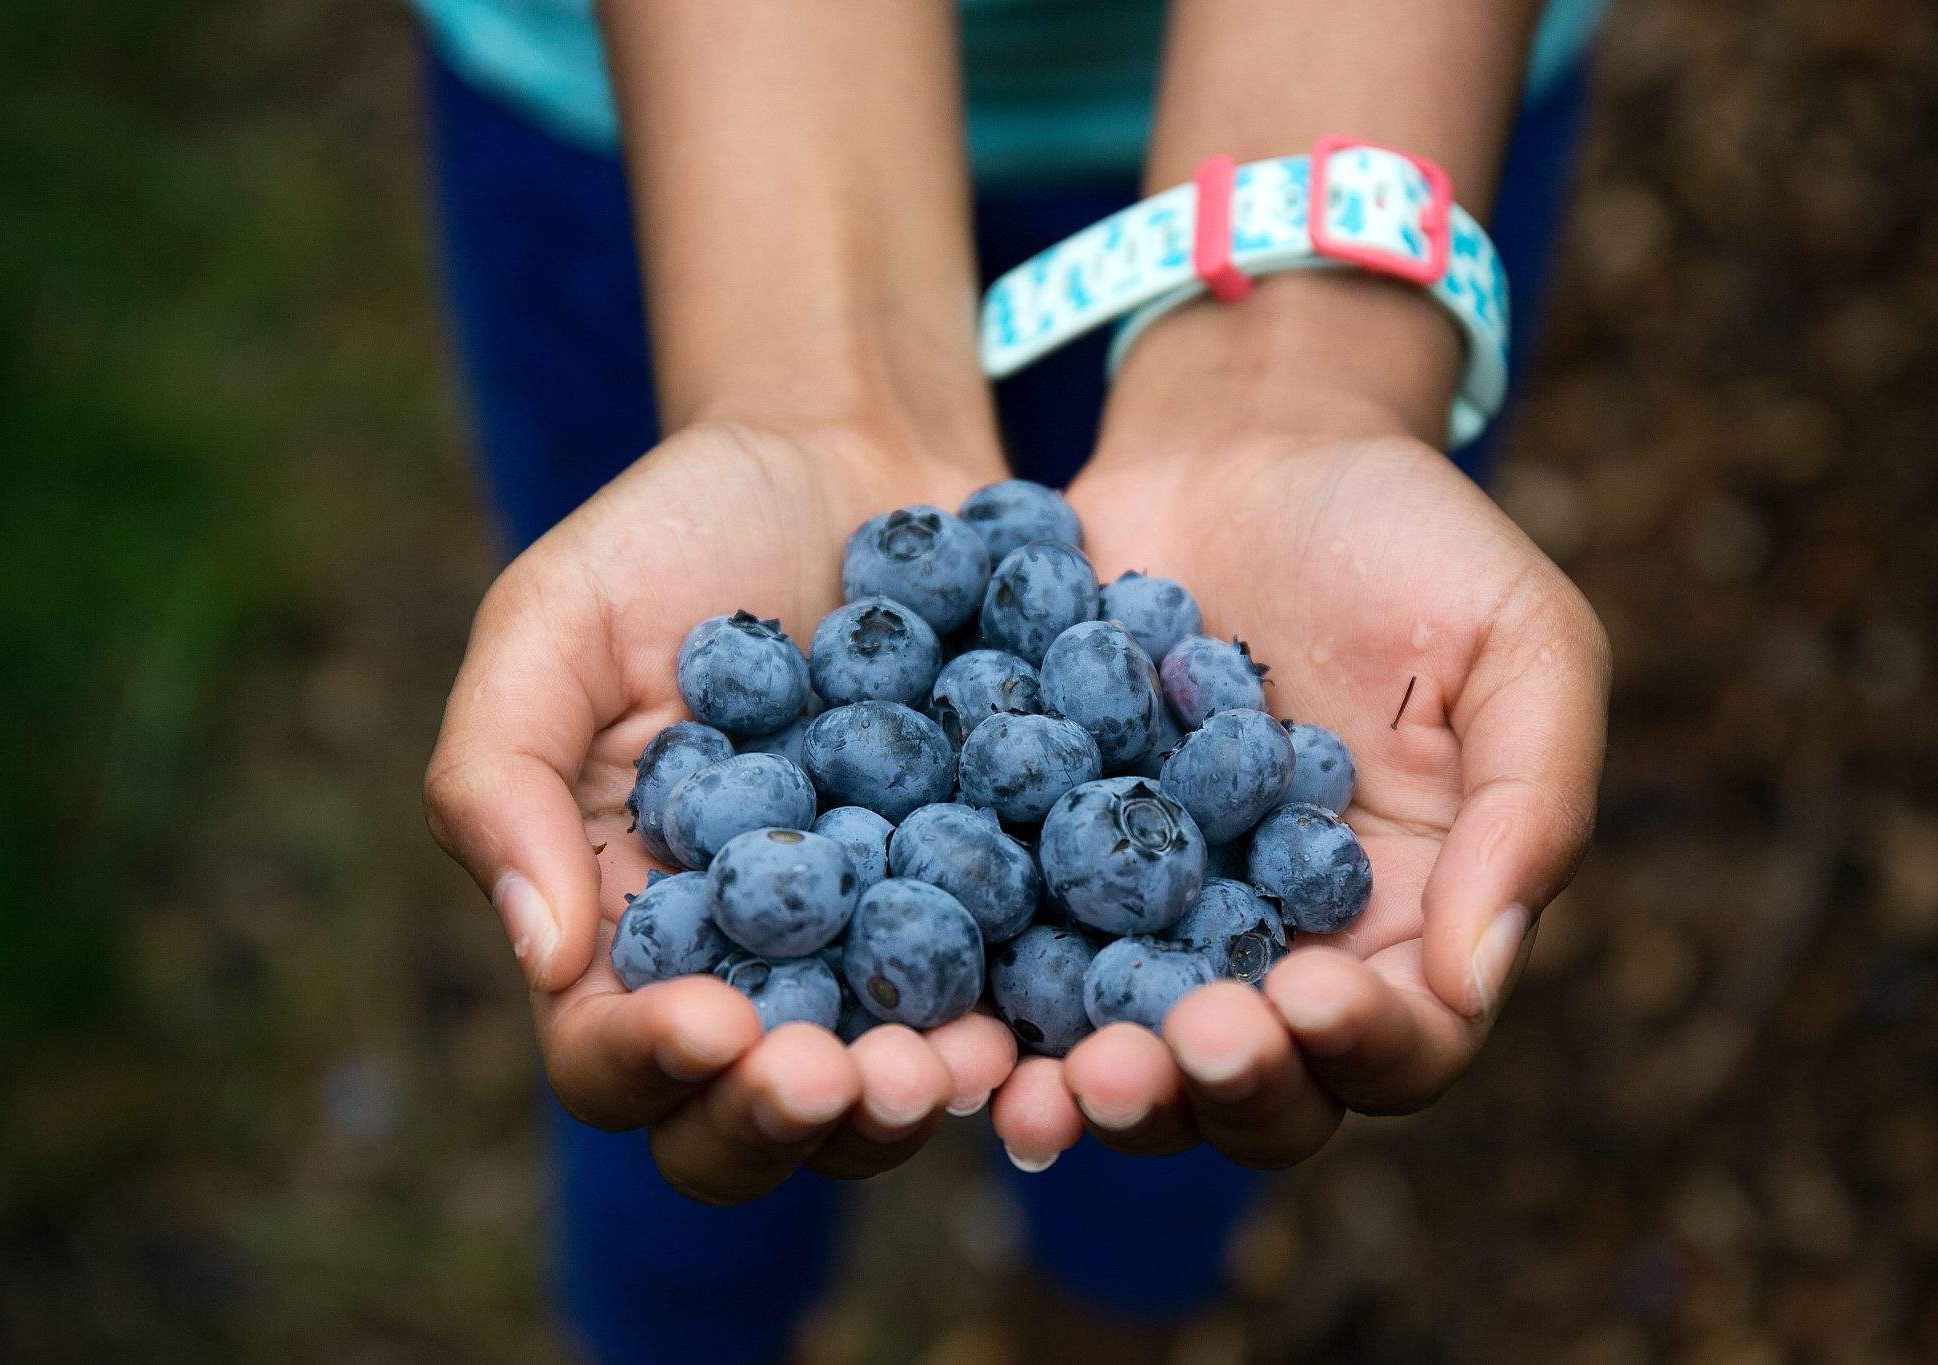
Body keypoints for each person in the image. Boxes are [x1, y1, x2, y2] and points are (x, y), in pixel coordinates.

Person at [419, 1, 1613, 1358]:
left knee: (1198, 1074)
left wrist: (1310, 376)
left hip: (1384, 112)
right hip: (678, 130)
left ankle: (1105, 1306)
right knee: (696, 1088)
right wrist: (799, 380)